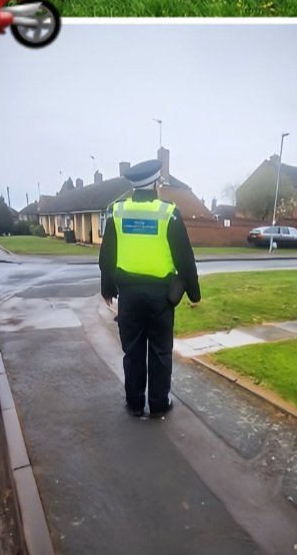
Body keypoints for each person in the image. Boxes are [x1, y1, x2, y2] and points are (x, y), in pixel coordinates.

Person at [98, 158, 200, 419]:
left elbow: (107, 254)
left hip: (129, 296)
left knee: (132, 352)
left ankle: (134, 404)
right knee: (160, 352)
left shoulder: (117, 211)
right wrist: (194, 294)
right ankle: (158, 404)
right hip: (161, 298)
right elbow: (184, 257)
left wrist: (107, 287)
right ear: (156, 184)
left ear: (134, 187)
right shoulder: (168, 212)